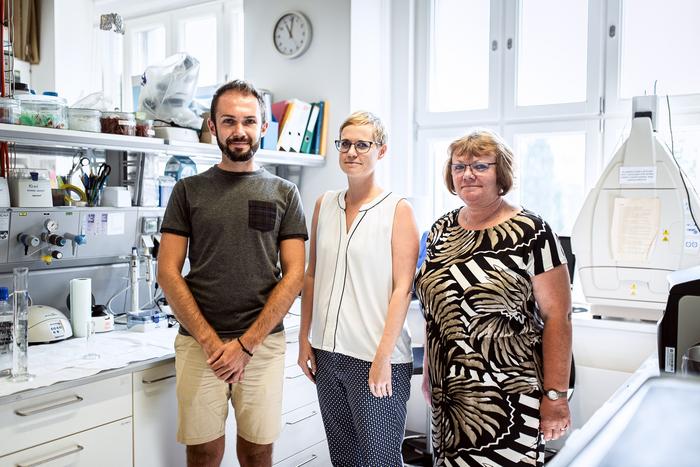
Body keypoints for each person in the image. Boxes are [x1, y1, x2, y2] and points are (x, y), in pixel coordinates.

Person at [158, 79, 308, 467]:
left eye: (248, 121)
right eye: (228, 121)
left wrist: (245, 346)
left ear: (263, 127)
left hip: (261, 346)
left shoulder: (284, 193)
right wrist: (210, 342)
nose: (238, 131)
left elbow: (294, 275)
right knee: (203, 453)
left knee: (257, 453)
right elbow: (168, 272)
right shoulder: (187, 191)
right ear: (213, 126)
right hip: (198, 346)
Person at [414, 129, 572, 466]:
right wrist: (429, 369)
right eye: (459, 166)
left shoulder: (533, 232)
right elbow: (436, 311)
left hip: (510, 397)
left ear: (501, 173)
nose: (467, 174)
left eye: (480, 166)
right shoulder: (440, 230)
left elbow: (559, 316)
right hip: (450, 397)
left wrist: (556, 396)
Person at [297, 111, 419, 466]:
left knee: (379, 461)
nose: (352, 152)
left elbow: (402, 289)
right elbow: (312, 276)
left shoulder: (398, 209)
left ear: (380, 151)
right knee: (344, 459)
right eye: (345, 144)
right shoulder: (325, 204)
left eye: (362, 144)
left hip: (375, 358)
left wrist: (383, 359)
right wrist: (306, 338)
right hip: (327, 354)